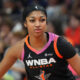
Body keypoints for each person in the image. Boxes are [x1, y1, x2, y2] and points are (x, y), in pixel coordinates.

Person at [0, 3, 80, 80]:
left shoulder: (60, 44)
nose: (37, 24)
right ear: (25, 23)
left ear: (46, 22)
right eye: (32, 20)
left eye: (42, 20)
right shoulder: (19, 48)